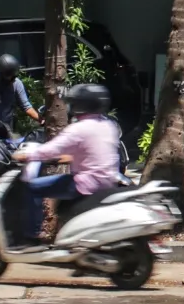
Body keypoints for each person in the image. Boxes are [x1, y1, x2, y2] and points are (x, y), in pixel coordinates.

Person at [11, 84, 123, 243]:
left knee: (32, 188)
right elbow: (92, 151)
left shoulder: (79, 128)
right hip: (107, 182)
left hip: (85, 183)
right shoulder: (108, 125)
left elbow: (51, 149)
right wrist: (69, 157)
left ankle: (31, 236)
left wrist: (27, 155)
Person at [0, 54, 39, 130]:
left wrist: (41, 119)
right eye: (9, 78)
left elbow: (26, 106)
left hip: (6, 128)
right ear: (0, 75)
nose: (12, 80)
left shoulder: (16, 84)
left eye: (14, 77)